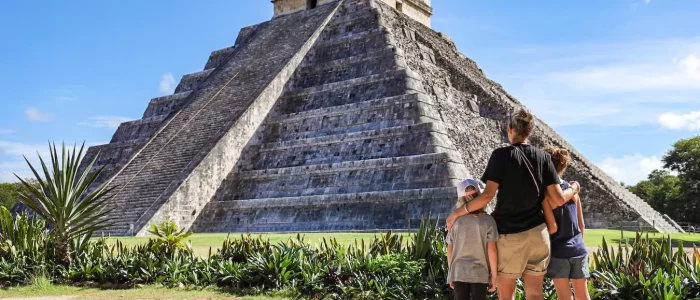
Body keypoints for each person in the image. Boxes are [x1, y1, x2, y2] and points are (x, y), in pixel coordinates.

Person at [445, 108, 581, 300]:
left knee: (506, 294)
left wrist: (457, 213)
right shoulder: (543, 158)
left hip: (510, 235)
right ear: (531, 132)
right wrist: (574, 189)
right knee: (535, 294)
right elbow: (558, 199)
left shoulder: (501, 155)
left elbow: (487, 196)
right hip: (538, 234)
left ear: (509, 129)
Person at [542, 146, 590, 300]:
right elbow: (581, 225)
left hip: (558, 250)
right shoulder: (573, 193)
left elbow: (551, 227)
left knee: (564, 296)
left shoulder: (544, 195)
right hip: (578, 248)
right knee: (583, 294)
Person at [447, 178, 498, 300]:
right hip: (479, 273)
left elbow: (450, 250)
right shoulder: (488, 221)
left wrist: (451, 272)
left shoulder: (454, 222)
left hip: (459, 272)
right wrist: (494, 277)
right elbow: (492, 251)